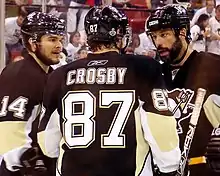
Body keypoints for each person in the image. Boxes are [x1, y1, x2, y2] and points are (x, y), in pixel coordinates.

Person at [37, 5, 181, 176]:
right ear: (119, 35)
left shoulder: (59, 75)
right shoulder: (144, 68)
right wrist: (169, 166)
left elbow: (47, 143)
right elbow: (159, 124)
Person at [146, 4, 220, 176]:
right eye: (155, 36)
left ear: (182, 32)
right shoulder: (153, 75)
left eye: (164, 35)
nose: (158, 42)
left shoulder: (213, 66)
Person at [0, 11, 66, 176]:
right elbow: (9, 128)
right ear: (32, 43)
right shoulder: (22, 75)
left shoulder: (42, 72)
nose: (59, 46)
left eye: (60, 39)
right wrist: (24, 162)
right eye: (52, 39)